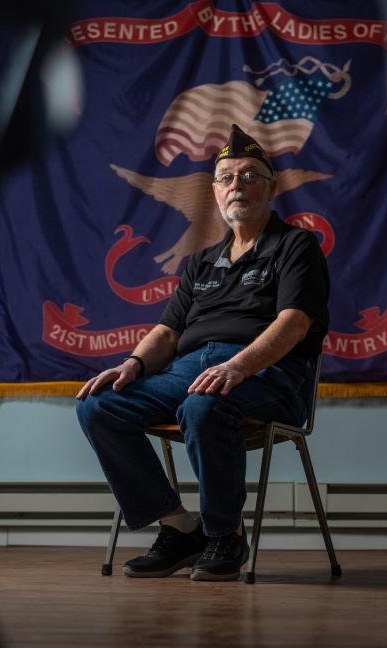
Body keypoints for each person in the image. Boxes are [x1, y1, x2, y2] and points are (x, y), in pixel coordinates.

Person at [76, 124, 329, 581]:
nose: (238, 184)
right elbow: (167, 333)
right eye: (228, 177)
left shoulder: (296, 246)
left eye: (250, 175)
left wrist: (236, 365)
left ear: (270, 188)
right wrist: (133, 363)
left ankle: (224, 535)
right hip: (191, 371)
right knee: (100, 404)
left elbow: (294, 325)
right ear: (215, 192)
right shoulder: (201, 262)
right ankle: (179, 528)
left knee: (204, 406)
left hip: (268, 374)